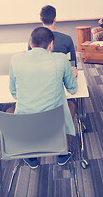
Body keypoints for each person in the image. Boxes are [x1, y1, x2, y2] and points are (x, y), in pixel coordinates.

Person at [10, 27, 78, 169]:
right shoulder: (61, 59)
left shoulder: (15, 60)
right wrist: (73, 74)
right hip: (54, 124)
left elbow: (14, 93)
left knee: (11, 110)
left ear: (30, 43)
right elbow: (72, 89)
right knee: (71, 106)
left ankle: (30, 155)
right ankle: (63, 153)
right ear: (51, 44)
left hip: (27, 124)